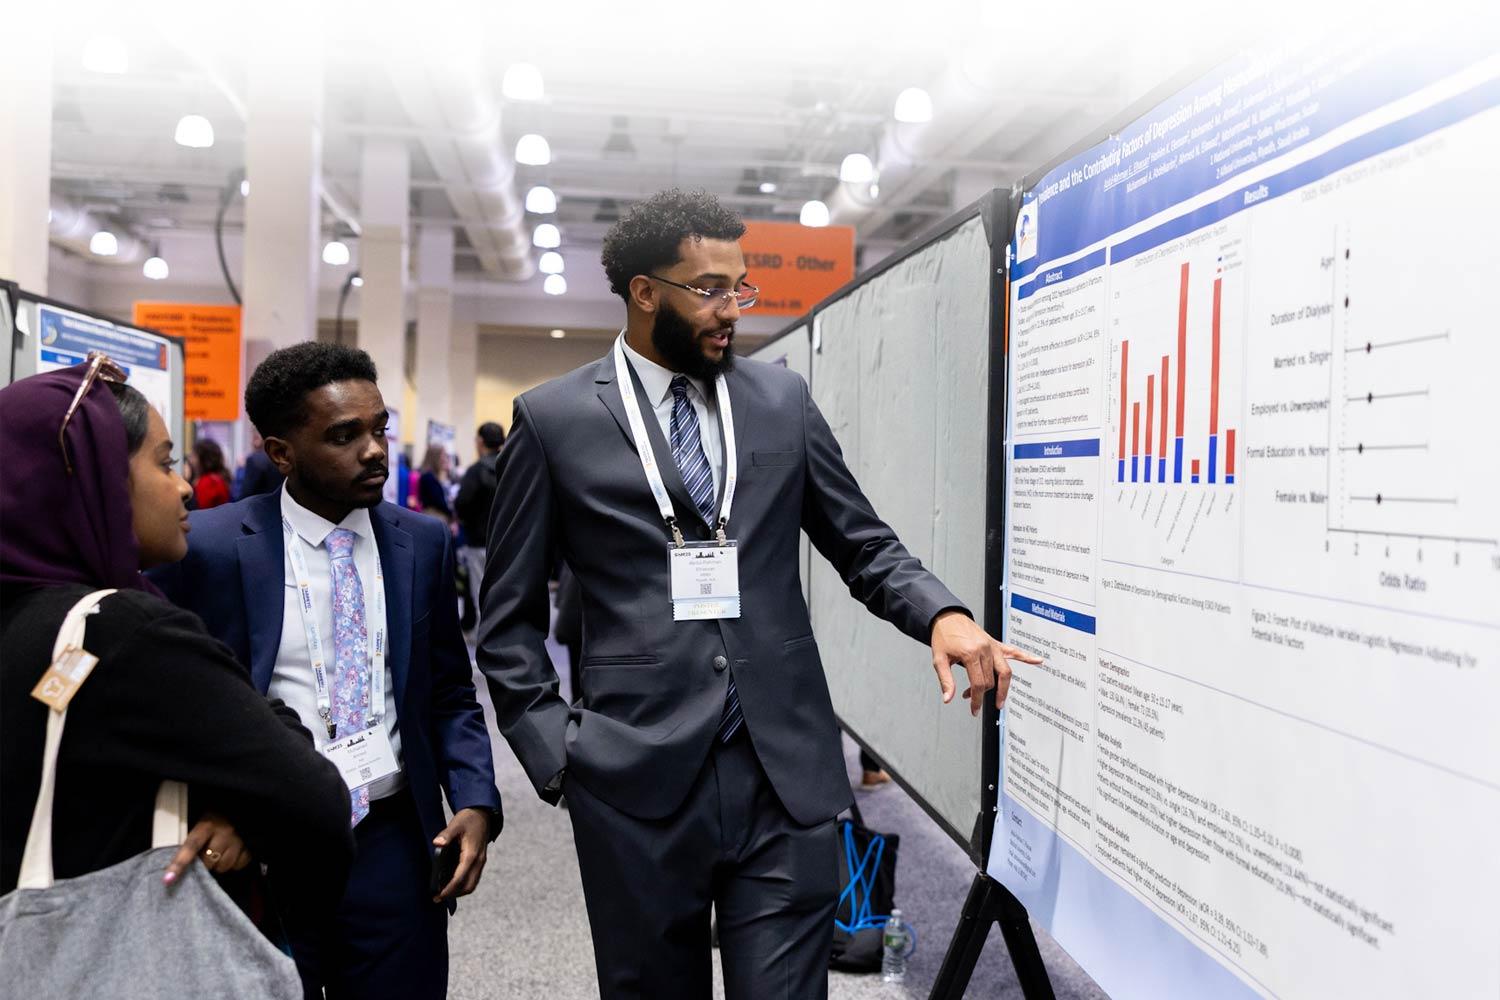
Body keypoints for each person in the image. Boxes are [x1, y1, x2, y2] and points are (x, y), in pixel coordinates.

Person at [476, 189, 1042, 998]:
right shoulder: (553, 419)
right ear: (645, 292)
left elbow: (863, 542)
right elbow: (507, 621)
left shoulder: (780, 401)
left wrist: (942, 614)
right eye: (710, 289)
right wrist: (560, 759)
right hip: (633, 777)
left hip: (783, 770)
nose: (732, 309)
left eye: (739, 287)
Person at [151, 343, 503, 1000]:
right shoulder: (211, 547)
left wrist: (476, 799)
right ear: (281, 453)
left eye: (379, 430)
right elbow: (171, 698)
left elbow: (450, 692)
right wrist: (217, 805)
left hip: (393, 840)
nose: (374, 451)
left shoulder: (422, 542)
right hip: (266, 837)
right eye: (344, 436)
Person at [0, 358, 354, 942]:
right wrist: (248, 812)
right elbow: (313, 797)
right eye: (164, 463)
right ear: (94, 481)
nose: (184, 486)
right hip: (123, 953)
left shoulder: (26, 611)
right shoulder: (130, 635)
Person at [454, 421, 505, 608]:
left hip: (479, 541)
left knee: (481, 596)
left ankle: (484, 627)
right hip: (507, 541)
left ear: (480, 441)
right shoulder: (511, 468)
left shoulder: (476, 471)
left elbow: (462, 503)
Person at [238, 431, 285, 499]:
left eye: (256, 436)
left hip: (257, 503)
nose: (253, 439)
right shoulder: (284, 459)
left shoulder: (254, 460)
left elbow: (246, 493)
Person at [416, 445, 453, 524]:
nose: (445, 459)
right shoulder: (428, 477)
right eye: (443, 455)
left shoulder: (432, 476)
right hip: (433, 518)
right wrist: (451, 515)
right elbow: (439, 502)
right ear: (435, 457)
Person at [192, 438, 233, 509]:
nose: (191, 460)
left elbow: (203, 510)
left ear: (203, 459)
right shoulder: (218, 477)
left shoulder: (208, 482)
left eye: (194, 456)